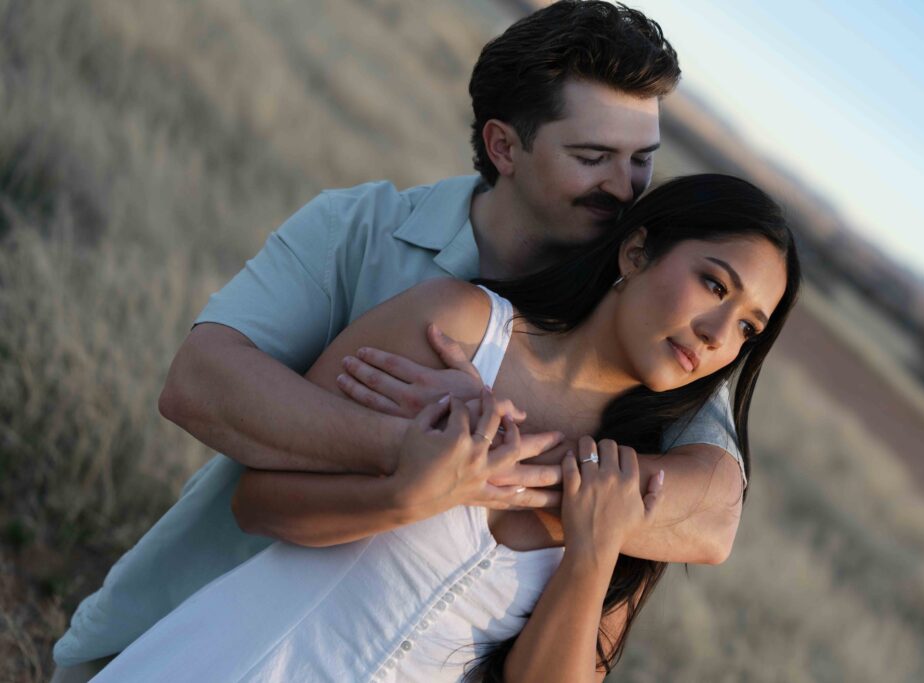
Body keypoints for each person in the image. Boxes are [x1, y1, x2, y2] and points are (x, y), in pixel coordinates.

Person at [52, 2, 746, 679]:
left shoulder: (646, 330)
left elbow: (712, 521)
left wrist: (504, 439)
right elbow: (198, 385)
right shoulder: (359, 227)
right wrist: (409, 447)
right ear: (505, 146)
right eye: (594, 156)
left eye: (641, 162)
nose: (625, 191)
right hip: (176, 628)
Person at [92, 174, 801, 681]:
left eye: (746, 327)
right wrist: (405, 493)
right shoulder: (460, 330)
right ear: (636, 251)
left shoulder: (638, 487)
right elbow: (259, 503)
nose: (716, 334)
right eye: (714, 283)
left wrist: (593, 547)